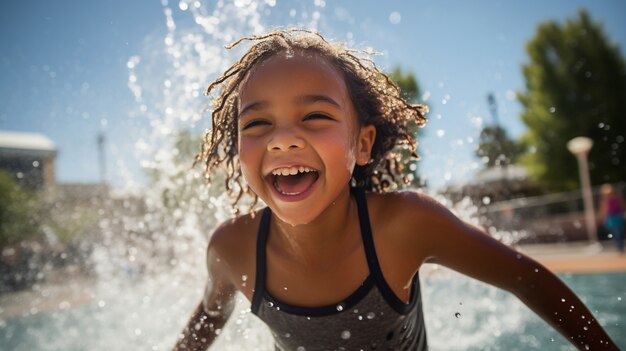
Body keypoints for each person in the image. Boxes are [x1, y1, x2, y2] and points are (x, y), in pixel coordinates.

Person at [172, 29, 618, 350]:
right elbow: (209, 319)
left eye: (315, 116)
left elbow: (525, 278)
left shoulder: (403, 227)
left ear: (362, 144)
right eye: (257, 123)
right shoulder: (233, 249)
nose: (283, 138)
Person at [599, 183, 625, 254]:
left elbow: (622, 206)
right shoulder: (605, 200)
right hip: (611, 217)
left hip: (617, 216)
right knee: (615, 232)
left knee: (619, 232)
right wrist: (603, 218)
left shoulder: (617, 198)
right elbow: (604, 210)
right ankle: (619, 246)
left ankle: (620, 247)